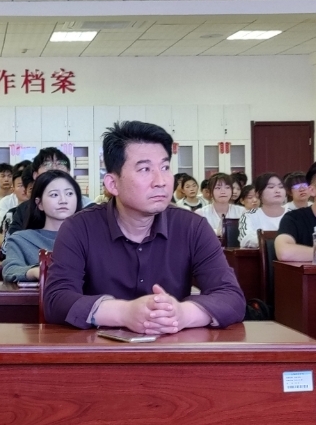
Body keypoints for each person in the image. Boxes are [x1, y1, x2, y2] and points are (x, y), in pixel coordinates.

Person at [42, 121, 245, 334]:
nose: (161, 181)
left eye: (165, 167)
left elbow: (231, 297)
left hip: (171, 347)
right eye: (145, 169)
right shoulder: (79, 228)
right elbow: (56, 299)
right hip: (98, 349)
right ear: (112, 184)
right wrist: (123, 313)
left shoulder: (193, 227)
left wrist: (182, 314)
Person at [1, 171, 82, 284]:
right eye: (54, 195)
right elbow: (10, 270)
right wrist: (36, 271)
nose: (63, 200)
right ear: (39, 203)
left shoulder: (90, 238)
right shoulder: (21, 239)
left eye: (69, 193)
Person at [238, 172, 288, 249]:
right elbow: (245, 240)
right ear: (258, 194)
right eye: (271, 187)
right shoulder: (249, 215)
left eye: (281, 187)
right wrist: (284, 241)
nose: (277, 190)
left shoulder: (294, 214)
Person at [196, 172, 246, 239]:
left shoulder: (241, 211)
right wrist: (217, 232)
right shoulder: (201, 213)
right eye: (218, 188)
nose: (223, 191)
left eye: (227, 187)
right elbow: (197, 236)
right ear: (210, 191)